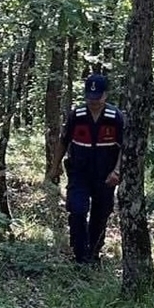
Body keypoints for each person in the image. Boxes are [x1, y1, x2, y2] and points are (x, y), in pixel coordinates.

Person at [50, 74, 124, 266]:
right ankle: (80, 254)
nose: (93, 102)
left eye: (97, 97)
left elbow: (125, 148)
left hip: (105, 176)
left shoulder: (115, 117)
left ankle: (93, 253)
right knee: (77, 209)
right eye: (90, 97)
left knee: (101, 214)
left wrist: (117, 171)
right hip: (79, 173)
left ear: (105, 95)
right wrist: (55, 166)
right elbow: (64, 141)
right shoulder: (77, 115)